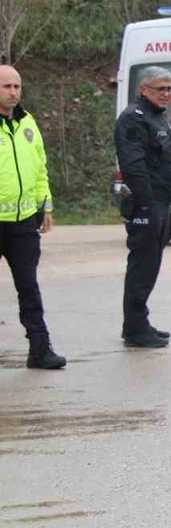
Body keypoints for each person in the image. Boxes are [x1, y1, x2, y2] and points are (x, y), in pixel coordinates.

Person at [114, 66, 171, 348]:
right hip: (146, 204)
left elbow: (164, 154)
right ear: (144, 89)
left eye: (169, 89)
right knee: (142, 266)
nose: (167, 94)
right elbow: (134, 165)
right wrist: (146, 205)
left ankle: (140, 321)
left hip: (162, 202)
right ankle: (135, 329)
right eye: (161, 89)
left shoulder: (159, 118)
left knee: (151, 266)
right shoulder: (133, 119)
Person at [0, 65, 65, 369]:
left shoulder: (28, 123)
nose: (12, 92)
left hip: (25, 222)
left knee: (28, 286)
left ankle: (40, 349)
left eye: (17, 86)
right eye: (6, 86)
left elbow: (40, 169)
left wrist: (46, 206)